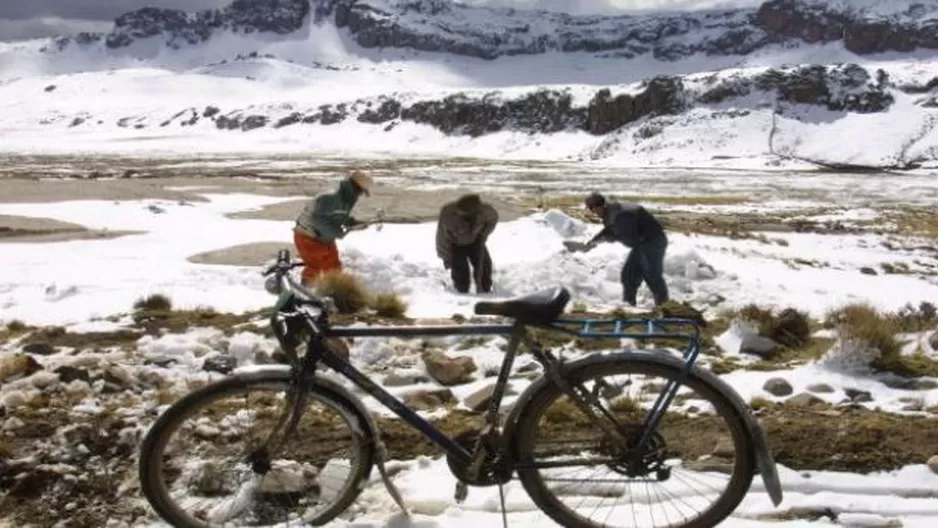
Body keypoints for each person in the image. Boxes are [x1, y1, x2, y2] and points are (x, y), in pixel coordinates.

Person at [583, 191, 670, 307]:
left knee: (652, 275)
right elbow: (609, 230)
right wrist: (593, 242)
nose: (594, 213)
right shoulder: (612, 211)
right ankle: (629, 308)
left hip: (652, 242)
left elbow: (629, 240)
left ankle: (665, 308)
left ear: (599, 206)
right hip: (642, 243)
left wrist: (613, 238)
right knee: (628, 275)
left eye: (593, 210)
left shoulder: (621, 215)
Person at [293, 170, 373, 285]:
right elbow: (317, 219)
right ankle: (305, 293)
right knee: (315, 267)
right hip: (308, 236)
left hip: (324, 238)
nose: (360, 195)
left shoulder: (346, 199)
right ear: (356, 188)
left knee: (333, 268)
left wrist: (352, 223)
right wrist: (336, 232)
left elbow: (337, 216)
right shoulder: (330, 197)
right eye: (361, 192)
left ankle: (334, 294)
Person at [435, 194, 499, 294]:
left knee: (485, 265)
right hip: (456, 244)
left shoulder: (486, 211)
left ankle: (485, 290)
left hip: (476, 241)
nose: (460, 213)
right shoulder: (448, 214)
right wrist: (446, 258)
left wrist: (483, 235)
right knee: (460, 269)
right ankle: (461, 292)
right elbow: (442, 238)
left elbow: (493, 219)